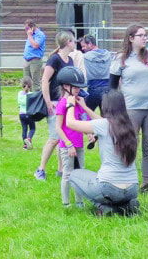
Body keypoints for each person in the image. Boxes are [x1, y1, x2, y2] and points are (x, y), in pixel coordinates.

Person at [110, 24, 148, 192]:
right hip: (131, 109)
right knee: (130, 145)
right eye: (141, 35)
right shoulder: (121, 58)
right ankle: (128, 179)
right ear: (131, 38)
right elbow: (112, 87)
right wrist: (113, 111)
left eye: (146, 35)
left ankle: (146, 182)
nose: (145, 38)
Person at [67, 90, 140, 216]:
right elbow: (103, 122)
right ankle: (126, 205)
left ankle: (103, 206)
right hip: (132, 189)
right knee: (118, 194)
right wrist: (84, 107)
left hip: (109, 188)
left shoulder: (103, 125)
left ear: (106, 106)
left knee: (73, 175)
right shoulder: (129, 125)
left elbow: (70, 123)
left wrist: (70, 105)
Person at [34, 31, 76, 181]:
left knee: (62, 138)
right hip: (54, 102)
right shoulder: (54, 59)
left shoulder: (70, 60)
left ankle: (61, 170)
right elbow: (44, 80)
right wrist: (48, 101)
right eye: (73, 41)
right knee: (54, 138)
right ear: (68, 42)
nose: (75, 43)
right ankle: (40, 170)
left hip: (66, 102)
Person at [55, 66, 88, 207]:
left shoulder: (79, 101)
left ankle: (79, 201)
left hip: (79, 144)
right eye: (75, 87)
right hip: (67, 147)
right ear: (66, 86)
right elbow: (58, 127)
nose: (78, 90)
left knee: (79, 173)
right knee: (68, 174)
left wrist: (89, 133)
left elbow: (83, 120)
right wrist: (68, 144)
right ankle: (66, 203)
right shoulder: (63, 103)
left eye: (79, 88)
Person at [80, 34, 111, 111]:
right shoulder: (108, 54)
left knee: (86, 114)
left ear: (90, 44)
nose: (82, 48)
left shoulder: (86, 56)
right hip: (108, 89)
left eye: (84, 46)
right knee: (107, 117)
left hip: (93, 89)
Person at [23, 19, 46, 91]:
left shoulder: (40, 34)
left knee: (35, 83)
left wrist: (29, 35)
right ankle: (27, 99)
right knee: (26, 82)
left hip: (35, 60)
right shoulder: (30, 34)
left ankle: (36, 100)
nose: (26, 30)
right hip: (27, 60)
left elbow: (35, 45)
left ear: (32, 27)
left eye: (27, 28)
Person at [18, 76, 36, 150]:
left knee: (24, 129)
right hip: (29, 114)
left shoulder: (19, 93)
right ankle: (29, 139)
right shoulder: (31, 94)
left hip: (21, 114)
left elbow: (19, 102)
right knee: (32, 128)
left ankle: (25, 145)